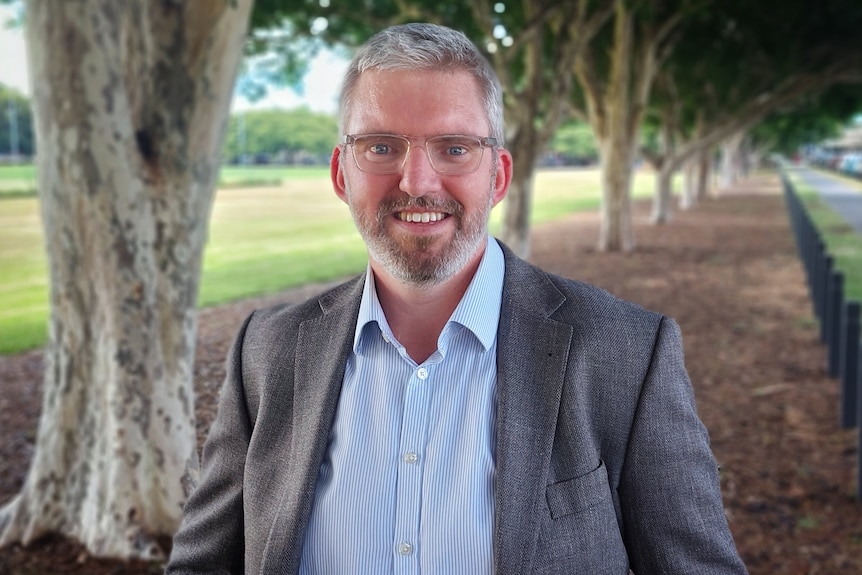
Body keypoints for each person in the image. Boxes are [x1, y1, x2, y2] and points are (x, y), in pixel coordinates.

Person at [166, 22, 748, 575]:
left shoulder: (624, 355)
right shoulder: (268, 352)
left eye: (453, 148)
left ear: (498, 174)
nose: (417, 181)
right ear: (341, 172)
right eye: (380, 147)